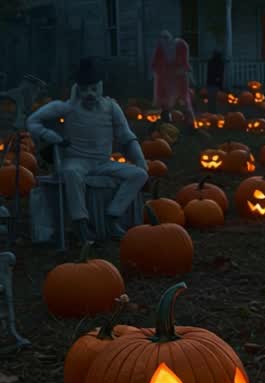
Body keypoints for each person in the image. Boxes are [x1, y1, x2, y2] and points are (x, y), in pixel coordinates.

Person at [26, 59, 148, 245]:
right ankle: (81, 222)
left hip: (103, 162)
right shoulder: (67, 107)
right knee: (71, 172)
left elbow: (125, 134)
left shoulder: (111, 107)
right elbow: (33, 121)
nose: (89, 94)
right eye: (84, 90)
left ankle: (112, 217)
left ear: (100, 87)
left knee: (138, 174)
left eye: (93, 89)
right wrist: (50, 136)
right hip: (77, 160)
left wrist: (140, 159)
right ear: (78, 88)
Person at [151, 30, 195, 125]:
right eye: (163, 38)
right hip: (166, 79)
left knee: (184, 99)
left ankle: (189, 121)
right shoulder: (160, 50)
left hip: (179, 77)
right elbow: (155, 64)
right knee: (165, 101)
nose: (164, 41)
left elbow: (184, 64)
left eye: (166, 38)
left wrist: (187, 76)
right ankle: (166, 121)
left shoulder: (181, 45)